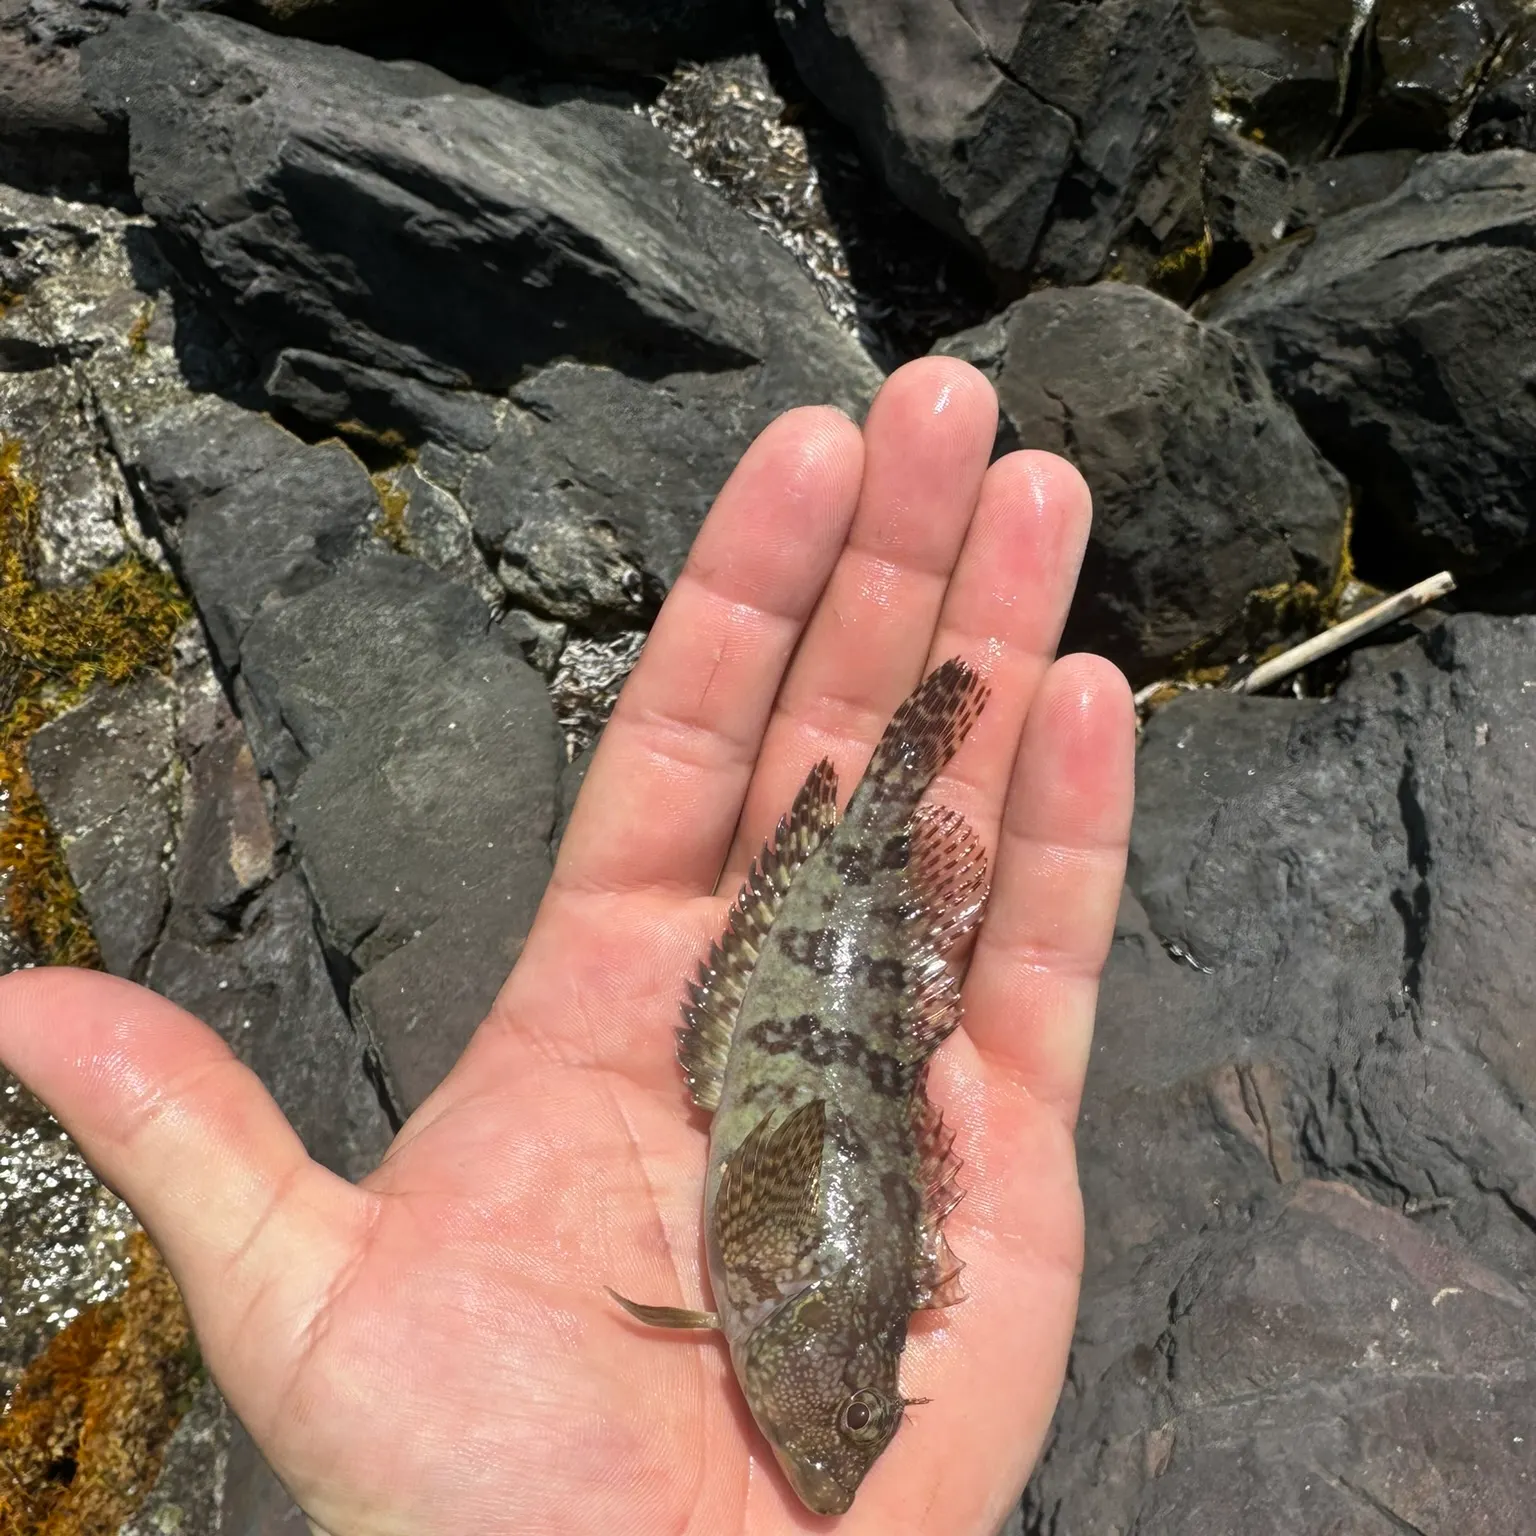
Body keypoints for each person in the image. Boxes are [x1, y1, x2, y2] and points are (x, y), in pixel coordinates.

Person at [0, 357, 1134, 1535]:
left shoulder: (785, 1310)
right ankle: (894, 787)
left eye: (860, 1425)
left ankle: (895, 788)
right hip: (828, 1026)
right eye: (855, 1424)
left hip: (820, 1035)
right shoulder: (793, 1303)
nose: (840, 1467)